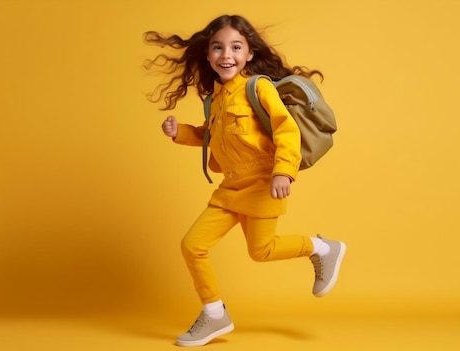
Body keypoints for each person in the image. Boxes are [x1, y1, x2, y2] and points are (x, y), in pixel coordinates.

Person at [144, 14, 346, 347]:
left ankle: (323, 248)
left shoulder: (258, 87)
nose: (227, 55)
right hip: (231, 187)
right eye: (218, 48)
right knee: (192, 245)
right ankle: (213, 313)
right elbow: (210, 136)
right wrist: (178, 132)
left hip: (264, 182)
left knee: (261, 251)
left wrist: (283, 171)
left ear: (249, 54)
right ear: (208, 55)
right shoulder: (216, 98)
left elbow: (286, 129)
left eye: (236, 47)